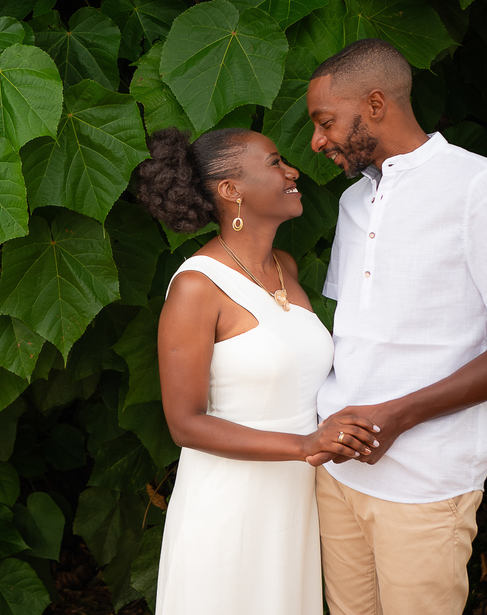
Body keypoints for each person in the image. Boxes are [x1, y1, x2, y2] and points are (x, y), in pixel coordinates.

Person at [305, 38, 487, 615]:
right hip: (339, 472)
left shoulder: (481, 188)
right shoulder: (353, 204)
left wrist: (397, 416)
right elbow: (358, 338)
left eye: (326, 122)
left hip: (426, 479)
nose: (317, 142)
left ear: (375, 104)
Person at [136, 126, 380, 615]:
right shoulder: (196, 287)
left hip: (295, 502)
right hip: (230, 506)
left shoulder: (285, 266)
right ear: (231, 190)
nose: (292, 170)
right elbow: (185, 424)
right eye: (274, 162)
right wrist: (304, 446)